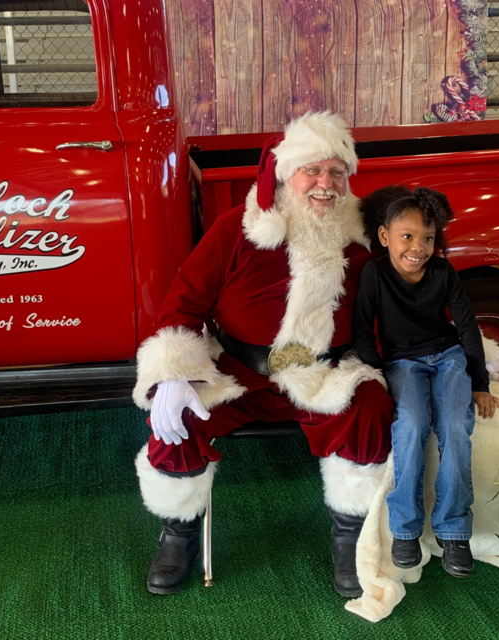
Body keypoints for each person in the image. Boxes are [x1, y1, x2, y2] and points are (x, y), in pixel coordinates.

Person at [131, 111, 393, 597]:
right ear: (285, 173)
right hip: (238, 372)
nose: (325, 183)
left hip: (327, 373)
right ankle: (177, 532)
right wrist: (172, 373)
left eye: (337, 172)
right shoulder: (238, 228)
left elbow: (411, 298)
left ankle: (350, 537)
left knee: (372, 409)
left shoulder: (365, 237)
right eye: (312, 170)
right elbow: (185, 300)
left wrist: (469, 353)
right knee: (176, 417)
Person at [352, 186, 499, 577]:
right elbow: (363, 330)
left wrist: (480, 382)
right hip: (402, 363)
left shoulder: (443, 271)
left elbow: (467, 326)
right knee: (412, 426)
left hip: (448, 359)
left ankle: (454, 532)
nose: (418, 247)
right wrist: (376, 378)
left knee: (454, 426)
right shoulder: (374, 273)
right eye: (407, 236)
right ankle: (405, 528)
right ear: (385, 236)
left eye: (428, 238)